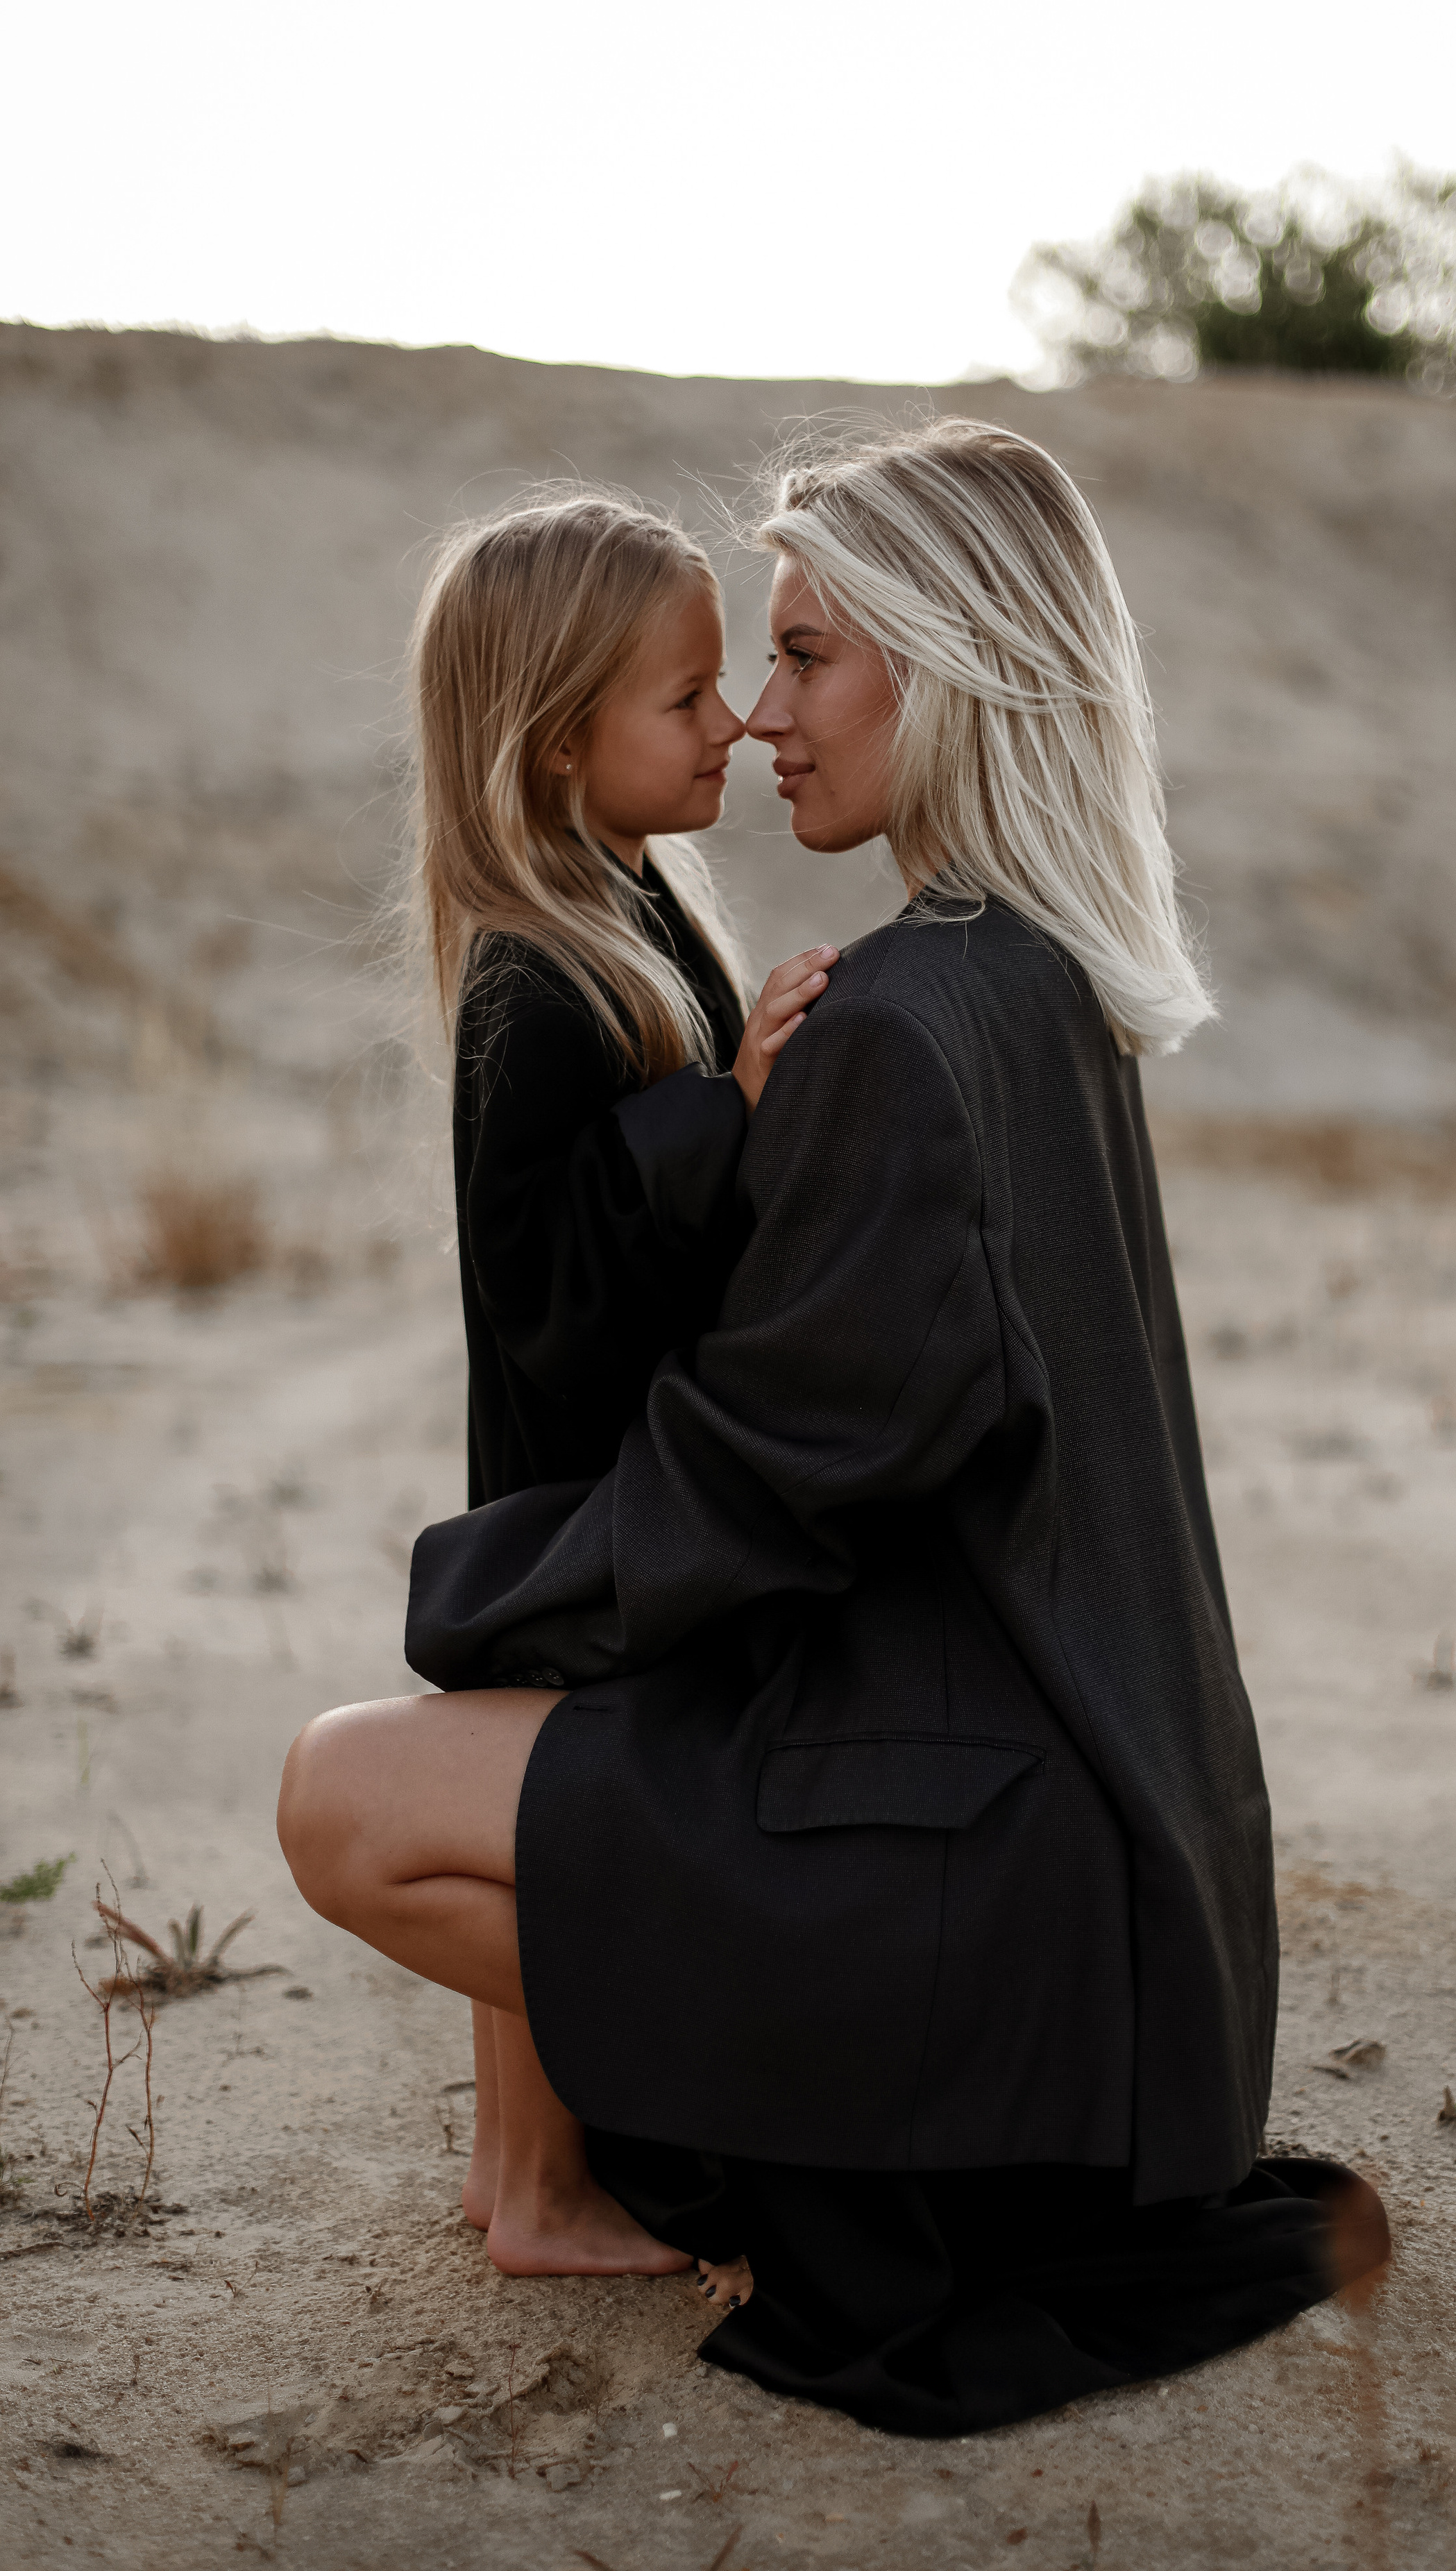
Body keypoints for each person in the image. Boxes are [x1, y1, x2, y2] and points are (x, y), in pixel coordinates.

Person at [280, 419, 1388, 2437]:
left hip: (1006, 1908)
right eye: (743, 672)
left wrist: (476, 1596)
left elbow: (766, 1471)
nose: (764, 723)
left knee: (342, 1797)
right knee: (520, 1754)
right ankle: (642, 2127)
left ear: (943, 671)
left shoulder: (897, 1022)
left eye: (801, 659)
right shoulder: (1034, 980)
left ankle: (784, 2135)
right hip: (1135, 1893)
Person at [375, 484, 833, 2282]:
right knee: (557, 1835)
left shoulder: (633, 904)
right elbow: (551, 1287)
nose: (731, 724)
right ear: (563, 740)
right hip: (568, 1513)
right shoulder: (535, 986)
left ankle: (519, 2177)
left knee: (537, 1809)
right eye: (689, 698)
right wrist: (727, 1116)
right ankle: (548, 2190)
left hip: (573, 1504)